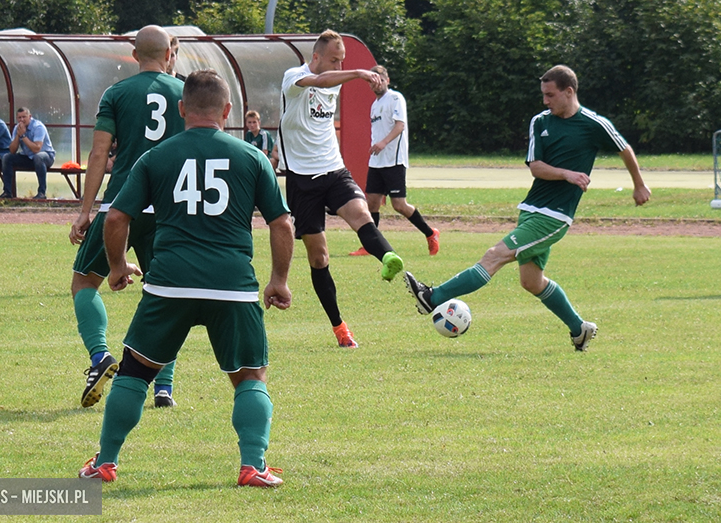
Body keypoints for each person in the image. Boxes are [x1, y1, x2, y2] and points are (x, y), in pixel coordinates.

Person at [78, 69, 293, 487]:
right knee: (250, 376)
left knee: (135, 373)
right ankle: (253, 465)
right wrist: (278, 280)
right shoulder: (251, 157)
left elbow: (117, 216)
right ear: (228, 111)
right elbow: (282, 223)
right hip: (232, 285)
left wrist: (119, 267)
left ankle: (105, 462)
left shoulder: (154, 158)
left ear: (181, 109)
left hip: (169, 283)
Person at [405, 65, 651, 352]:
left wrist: (639, 185)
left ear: (569, 92)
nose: (545, 101)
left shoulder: (594, 124)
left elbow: (624, 149)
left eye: (550, 95)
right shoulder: (540, 122)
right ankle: (579, 329)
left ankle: (433, 297)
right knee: (531, 282)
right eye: (543, 95)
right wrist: (567, 174)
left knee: (495, 256)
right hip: (532, 209)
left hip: (555, 216)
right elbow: (536, 167)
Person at [69, 25, 185, 409]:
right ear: (170, 53)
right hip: (169, 208)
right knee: (166, 294)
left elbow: (100, 154)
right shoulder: (186, 91)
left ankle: (100, 356)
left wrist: (86, 212)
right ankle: (164, 384)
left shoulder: (116, 94)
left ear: (135, 55)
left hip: (121, 204)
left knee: (85, 282)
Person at [277, 29, 404, 348]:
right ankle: (340, 328)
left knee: (361, 212)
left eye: (342, 61)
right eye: (334, 60)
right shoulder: (294, 77)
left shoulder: (333, 81)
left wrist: (349, 73)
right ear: (316, 57)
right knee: (319, 258)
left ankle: (388, 257)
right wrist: (359, 72)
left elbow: (328, 83)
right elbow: (318, 82)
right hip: (302, 180)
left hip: (334, 169)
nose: (337, 66)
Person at [349, 65, 440, 257]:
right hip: (377, 162)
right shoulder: (374, 105)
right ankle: (370, 246)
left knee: (399, 205)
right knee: (371, 203)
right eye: (372, 81)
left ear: (387, 80)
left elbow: (400, 126)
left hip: (394, 161)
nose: (377, 83)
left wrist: (383, 142)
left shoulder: (396, 98)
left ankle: (430, 233)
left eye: (380, 79)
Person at [0, 107, 55, 199]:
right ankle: (7, 192)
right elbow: (12, 150)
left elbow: (37, 149)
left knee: (38, 157)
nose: (22, 120)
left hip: (46, 155)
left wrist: (24, 136)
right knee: (7, 157)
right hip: (28, 156)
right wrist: (18, 135)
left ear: (30, 117)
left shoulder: (38, 127)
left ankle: (41, 193)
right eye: (19, 118)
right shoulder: (18, 128)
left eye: (24, 117)